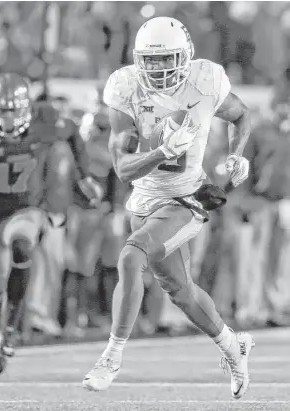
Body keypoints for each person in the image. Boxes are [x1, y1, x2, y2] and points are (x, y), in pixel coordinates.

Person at [82, 16, 254, 400]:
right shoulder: (125, 87)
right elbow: (123, 169)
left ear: (186, 55)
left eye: (166, 59)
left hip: (187, 197)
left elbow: (241, 113)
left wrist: (236, 155)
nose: (158, 69)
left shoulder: (206, 80)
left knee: (131, 255)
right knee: (180, 291)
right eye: (151, 60)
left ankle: (111, 358)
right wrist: (161, 151)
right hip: (143, 199)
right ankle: (232, 346)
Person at [0, 73, 100, 374]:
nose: (9, 117)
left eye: (14, 109)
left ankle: (11, 327)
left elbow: (73, 132)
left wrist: (85, 175)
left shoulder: (45, 121)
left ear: (27, 108)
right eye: (2, 109)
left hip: (27, 209)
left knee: (22, 246)